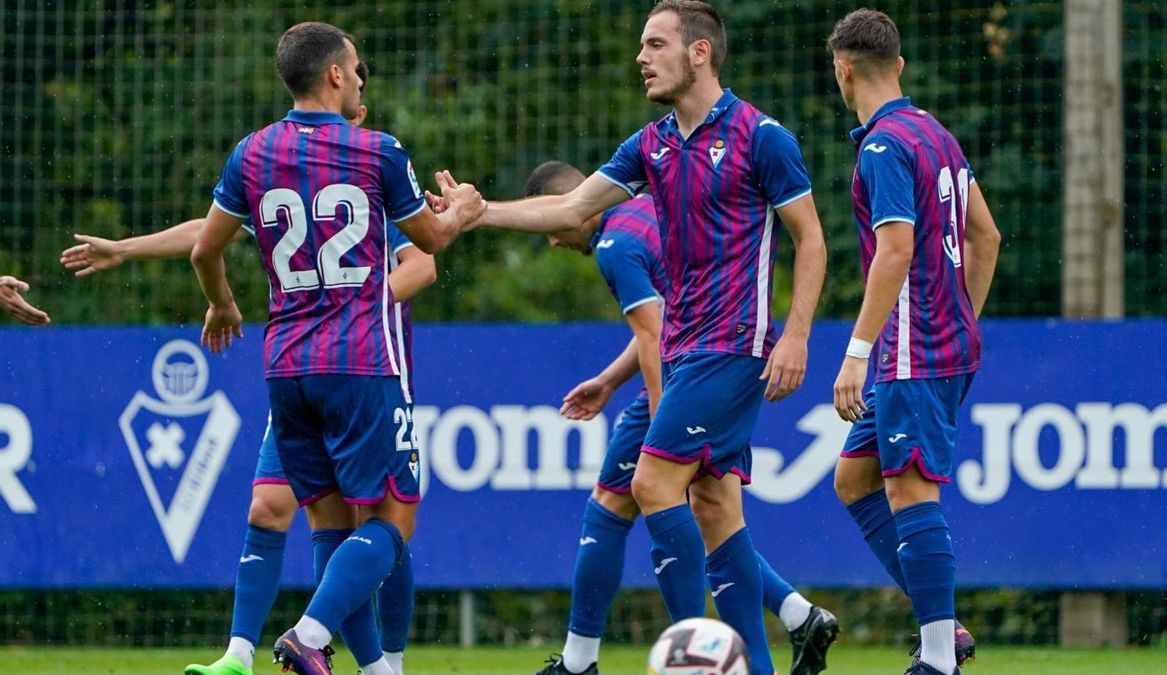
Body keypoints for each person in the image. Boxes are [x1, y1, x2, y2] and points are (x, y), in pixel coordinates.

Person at [435, 3, 831, 673]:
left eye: (656, 44)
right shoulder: (651, 144)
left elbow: (811, 238)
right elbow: (570, 206)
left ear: (700, 52)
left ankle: (694, 657)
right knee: (714, 505)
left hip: (733, 342)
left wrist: (796, 335)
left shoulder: (761, 136)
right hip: (687, 347)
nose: (641, 57)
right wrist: (480, 214)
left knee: (652, 482)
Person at [63, 71, 429, 675]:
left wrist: (352, 305)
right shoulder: (293, 177)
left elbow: (422, 264)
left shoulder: (372, 187)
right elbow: (211, 230)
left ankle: (386, 661)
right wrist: (126, 248)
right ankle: (251, 654)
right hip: (320, 366)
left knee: (378, 523)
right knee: (290, 512)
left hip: (361, 366)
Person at [191, 21, 483, 675]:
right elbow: (431, 242)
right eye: (355, 69)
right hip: (358, 360)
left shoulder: (251, 153)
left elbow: (204, 249)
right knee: (392, 520)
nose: (358, 79)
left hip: (285, 366)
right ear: (334, 75)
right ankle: (308, 633)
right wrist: (462, 209)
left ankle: (373, 669)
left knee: (329, 523)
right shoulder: (377, 150)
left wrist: (222, 303)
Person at [521, 162, 835, 675]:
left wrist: (662, 424)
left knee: (624, 502)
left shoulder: (614, 246)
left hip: (690, 376)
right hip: (719, 359)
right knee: (711, 509)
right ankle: (793, 620)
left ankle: (666, 658)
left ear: (571, 204)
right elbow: (663, 322)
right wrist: (609, 380)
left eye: (551, 224)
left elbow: (652, 337)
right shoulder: (644, 210)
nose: (553, 240)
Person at [825, 9, 1002, 675]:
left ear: (843, 70)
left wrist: (857, 351)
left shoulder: (882, 147)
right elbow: (986, 236)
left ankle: (937, 660)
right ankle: (942, 625)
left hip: (912, 349)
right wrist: (961, 317)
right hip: (941, 341)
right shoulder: (935, 133)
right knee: (855, 479)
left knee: (910, 491)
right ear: (896, 65)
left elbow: (894, 250)